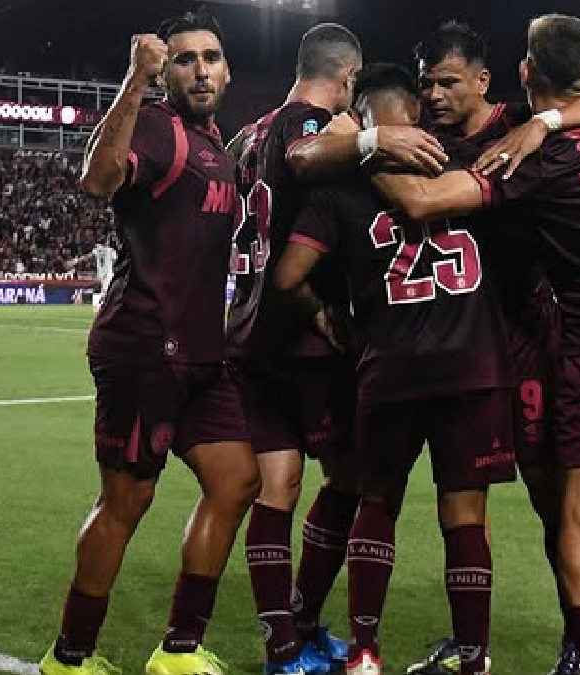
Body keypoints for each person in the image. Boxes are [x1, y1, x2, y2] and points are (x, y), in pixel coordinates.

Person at [368, 14, 580, 675]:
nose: (435, 95)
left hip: (570, 343)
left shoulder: (527, 151)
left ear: (515, 75)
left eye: (447, 82)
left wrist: (362, 144)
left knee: (572, 508)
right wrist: (551, 118)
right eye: (427, 84)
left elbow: (428, 201)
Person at [275, 62, 516, 675]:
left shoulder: (341, 187)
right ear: (413, 112)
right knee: (465, 516)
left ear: (363, 117)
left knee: (376, 503)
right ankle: (472, 655)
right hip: (474, 366)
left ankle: (362, 654)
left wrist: (322, 314)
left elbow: (288, 278)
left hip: (389, 368)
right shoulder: (467, 165)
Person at [38, 11, 259, 675]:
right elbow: (98, 179)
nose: (200, 69)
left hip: (198, 356)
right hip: (143, 347)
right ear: (170, 70)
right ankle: (70, 657)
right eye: (185, 59)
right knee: (127, 500)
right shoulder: (159, 126)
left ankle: (180, 649)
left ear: (228, 69)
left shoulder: (215, 141)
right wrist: (138, 77)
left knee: (237, 479)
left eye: (211, 58)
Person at [226, 23, 448, 675]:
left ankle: (288, 642)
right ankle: (293, 635)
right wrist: (375, 136)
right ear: (349, 78)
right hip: (300, 336)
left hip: (248, 327)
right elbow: (304, 160)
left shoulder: (253, 130)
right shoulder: (306, 125)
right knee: (345, 481)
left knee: (279, 486)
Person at [70, 238, 119, 312]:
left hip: (103, 274)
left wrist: (76, 261)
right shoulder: (111, 250)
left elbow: (87, 257)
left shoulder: (97, 250)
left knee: (106, 291)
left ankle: (103, 306)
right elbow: (116, 260)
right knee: (106, 291)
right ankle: (105, 306)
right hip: (108, 274)